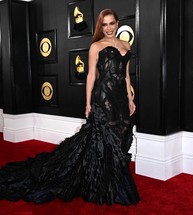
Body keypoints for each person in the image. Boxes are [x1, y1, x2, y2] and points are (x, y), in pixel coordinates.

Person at [0, 9, 140, 205]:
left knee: (121, 135)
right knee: (105, 140)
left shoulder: (126, 45)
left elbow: (126, 75)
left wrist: (130, 99)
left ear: (117, 23)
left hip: (121, 100)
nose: (108, 28)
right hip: (103, 98)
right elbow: (91, 76)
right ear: (101, 26)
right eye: (105, 24)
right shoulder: (96, 46)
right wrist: (88, 104)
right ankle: (106, 186)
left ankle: (112, 179)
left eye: (111, 23)